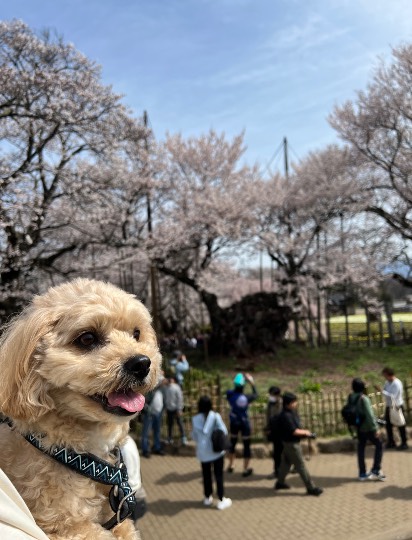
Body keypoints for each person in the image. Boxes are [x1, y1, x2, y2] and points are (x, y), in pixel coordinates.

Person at [275, 392, 323, 496]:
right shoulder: (286, 416)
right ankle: (311, 487)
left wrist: (305, 432)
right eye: (294, 402)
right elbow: (294, 431)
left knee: (286, 463)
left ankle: (280, 482)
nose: (296, 403)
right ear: (288, 403)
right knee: (300, 466)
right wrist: (307, 433)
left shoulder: (291, 412)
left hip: (289, 443)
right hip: (291, 444)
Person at [191, 395, 232, 510]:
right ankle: (221, 499)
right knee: (218, 475)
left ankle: (207, 497)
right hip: (216, 451)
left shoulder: (195, 419)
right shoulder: (215, 416)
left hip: (203, 452)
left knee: (206, 475)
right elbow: (223, 431)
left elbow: (194, 436)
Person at [349, 378, 385, 481]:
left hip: (358, 427)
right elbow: (369, 415)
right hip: (368, 427)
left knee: (361, 448)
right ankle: (375, 470)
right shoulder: (363, 398)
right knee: (379, 445)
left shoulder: (351, 397)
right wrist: (376, 428)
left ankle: (362, 473)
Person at [226, 372, 258, 477]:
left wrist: (238, 379)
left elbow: (231, 390)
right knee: (246, 445)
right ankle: (245, 468)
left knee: (232, 443)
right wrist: (251, 382)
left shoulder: (230, 394)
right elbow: (256, 394)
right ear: (244, 385)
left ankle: (231, 465)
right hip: (244, 422)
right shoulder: (246, 397)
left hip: (234, 421)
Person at [376, 367, 408, 450]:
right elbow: (386, 392)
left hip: (397, 405)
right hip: (389, 406)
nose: (384, 377)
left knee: (400, 424)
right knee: (388, 424)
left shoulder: (397, 383)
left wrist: (382, 391)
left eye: (385, 375)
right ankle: (391, 442)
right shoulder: (387, 382)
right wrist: (383, 391)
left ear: (389, 374)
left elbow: (393, 396)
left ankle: (404, 442)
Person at [141, 374, 166, 458]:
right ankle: (145, 449)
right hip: (149, 414)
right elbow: (144, 401)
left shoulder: (162, 390)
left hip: (158, 413)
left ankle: (157, 447)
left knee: (157, 431)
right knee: (146, 432)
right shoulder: (150, 389)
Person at [265, 386, 283, 479]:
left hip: (282, 431)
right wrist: (268, 427)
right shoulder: (270, 404)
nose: (271, 397)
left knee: (285, 452)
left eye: (272, 395)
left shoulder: (283, 403)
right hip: (274, 431)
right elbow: (268, 416)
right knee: (277, 453)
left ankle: (285, 469)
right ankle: (277, 471)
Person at [164, 374, 187, 445]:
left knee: (180, 423)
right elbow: (165, 398)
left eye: (171, 379)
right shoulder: (166, 388)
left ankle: (183, 437)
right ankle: (170, 438)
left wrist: (179, 409)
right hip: (169, 408)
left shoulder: (177, 387)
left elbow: (180, 399)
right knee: (170, 424)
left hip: (176, 409)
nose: (170, 380)